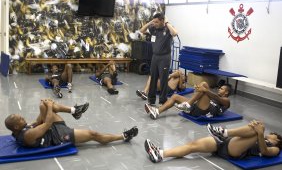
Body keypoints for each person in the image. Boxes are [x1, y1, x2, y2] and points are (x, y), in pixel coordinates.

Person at [4, 99, 138, 148]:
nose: (23, 118)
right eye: (20, 119)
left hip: (50, 129)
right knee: (93, 134)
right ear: (16, 126)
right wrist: (50, 107)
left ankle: (75, 110)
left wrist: (45, 105)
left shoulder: (21, 128)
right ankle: (124, 136)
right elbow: (47, 123)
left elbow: (38, 122)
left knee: (43, 105)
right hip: (58, 137)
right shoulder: (27, 136)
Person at [145, 121, 282, 163]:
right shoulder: (259, 135)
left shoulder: (275, 149)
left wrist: (260, 132)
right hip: (224, 142)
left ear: (278, 141)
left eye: (274, 135)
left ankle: (224, 132)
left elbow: (264, 151)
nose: (271, 135)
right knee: (192, 146)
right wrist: (256, 128)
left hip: (234, 150)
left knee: (259, 128)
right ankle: (161, 154)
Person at [140, 13, 178, 105]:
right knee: (153, 78)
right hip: (155, 57)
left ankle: (163, 100)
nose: (155, 24)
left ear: (162, 20)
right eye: (154, 22)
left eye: (157, 22)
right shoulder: (153, 29)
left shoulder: (168, 28)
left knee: (163, 79)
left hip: (164, 58)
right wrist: (150, 23)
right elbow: (142, 30)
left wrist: (167, 23)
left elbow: (175, 33)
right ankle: (151, 99)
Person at [144, 81, 231, 119]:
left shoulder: (227, 101)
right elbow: (211, 95)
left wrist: (204, 90)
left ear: (226, 93)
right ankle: (157, 112)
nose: (219, 89)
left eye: (222, 89)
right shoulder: (214, 95)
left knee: (204, 86)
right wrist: (198, 89)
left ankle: (188, 105)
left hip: (205, 111)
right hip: (198, 106)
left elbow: (217, 98)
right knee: (174, 96)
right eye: (220, 88)